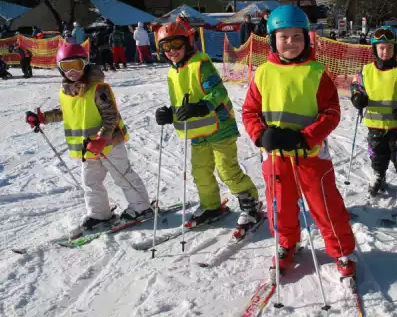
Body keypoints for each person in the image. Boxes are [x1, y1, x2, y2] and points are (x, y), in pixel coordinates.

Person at [242, 5, 357, 280]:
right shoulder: (263, 73)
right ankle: (285, 245)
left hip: (311, 155)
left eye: (297, 36)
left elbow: (331, 112)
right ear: (272, 40)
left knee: (325, 205)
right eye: (284, 37)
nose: (291, 42)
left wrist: (306, 137)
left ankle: (341, 250)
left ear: (307, 38)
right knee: (279, 205)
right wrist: (260, 134)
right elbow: (250, 112)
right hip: (275, 156)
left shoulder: (316, 73)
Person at [24, 43, 151, 235]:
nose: (73, 71)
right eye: (67, 66)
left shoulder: (98, 88)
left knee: (122, 175)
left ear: (85, 63)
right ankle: (100, 214)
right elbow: (67, 112)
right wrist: (44, 118)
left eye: (77, 64)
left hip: (109, 144)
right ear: (59, 67)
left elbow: (111, 116)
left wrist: (102, 138)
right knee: (90, 182)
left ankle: (141, 207)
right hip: (88, 148)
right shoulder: (66, 90)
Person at [154, 22, 260, 234]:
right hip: (196, 131)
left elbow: (219, 92)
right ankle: (211, 206)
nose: (172, 51)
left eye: (177, 44)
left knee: (227, 170)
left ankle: (251, 203)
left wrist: (203, 105)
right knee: (200, 171)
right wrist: (170, 115)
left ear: (188, 43)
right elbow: (183, 103)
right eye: (166, 47)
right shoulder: (172, 73)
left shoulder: (200, 64)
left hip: (220, 125)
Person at [350, 26, 397, 198]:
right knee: (377, 155)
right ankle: (379, 176)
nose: (385, 52)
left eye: (389, 48)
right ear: (375, 49)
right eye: (381, 48)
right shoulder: (366, 71)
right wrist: (357, 98)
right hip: (374, 125)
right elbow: (356, 87)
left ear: (395, 49)